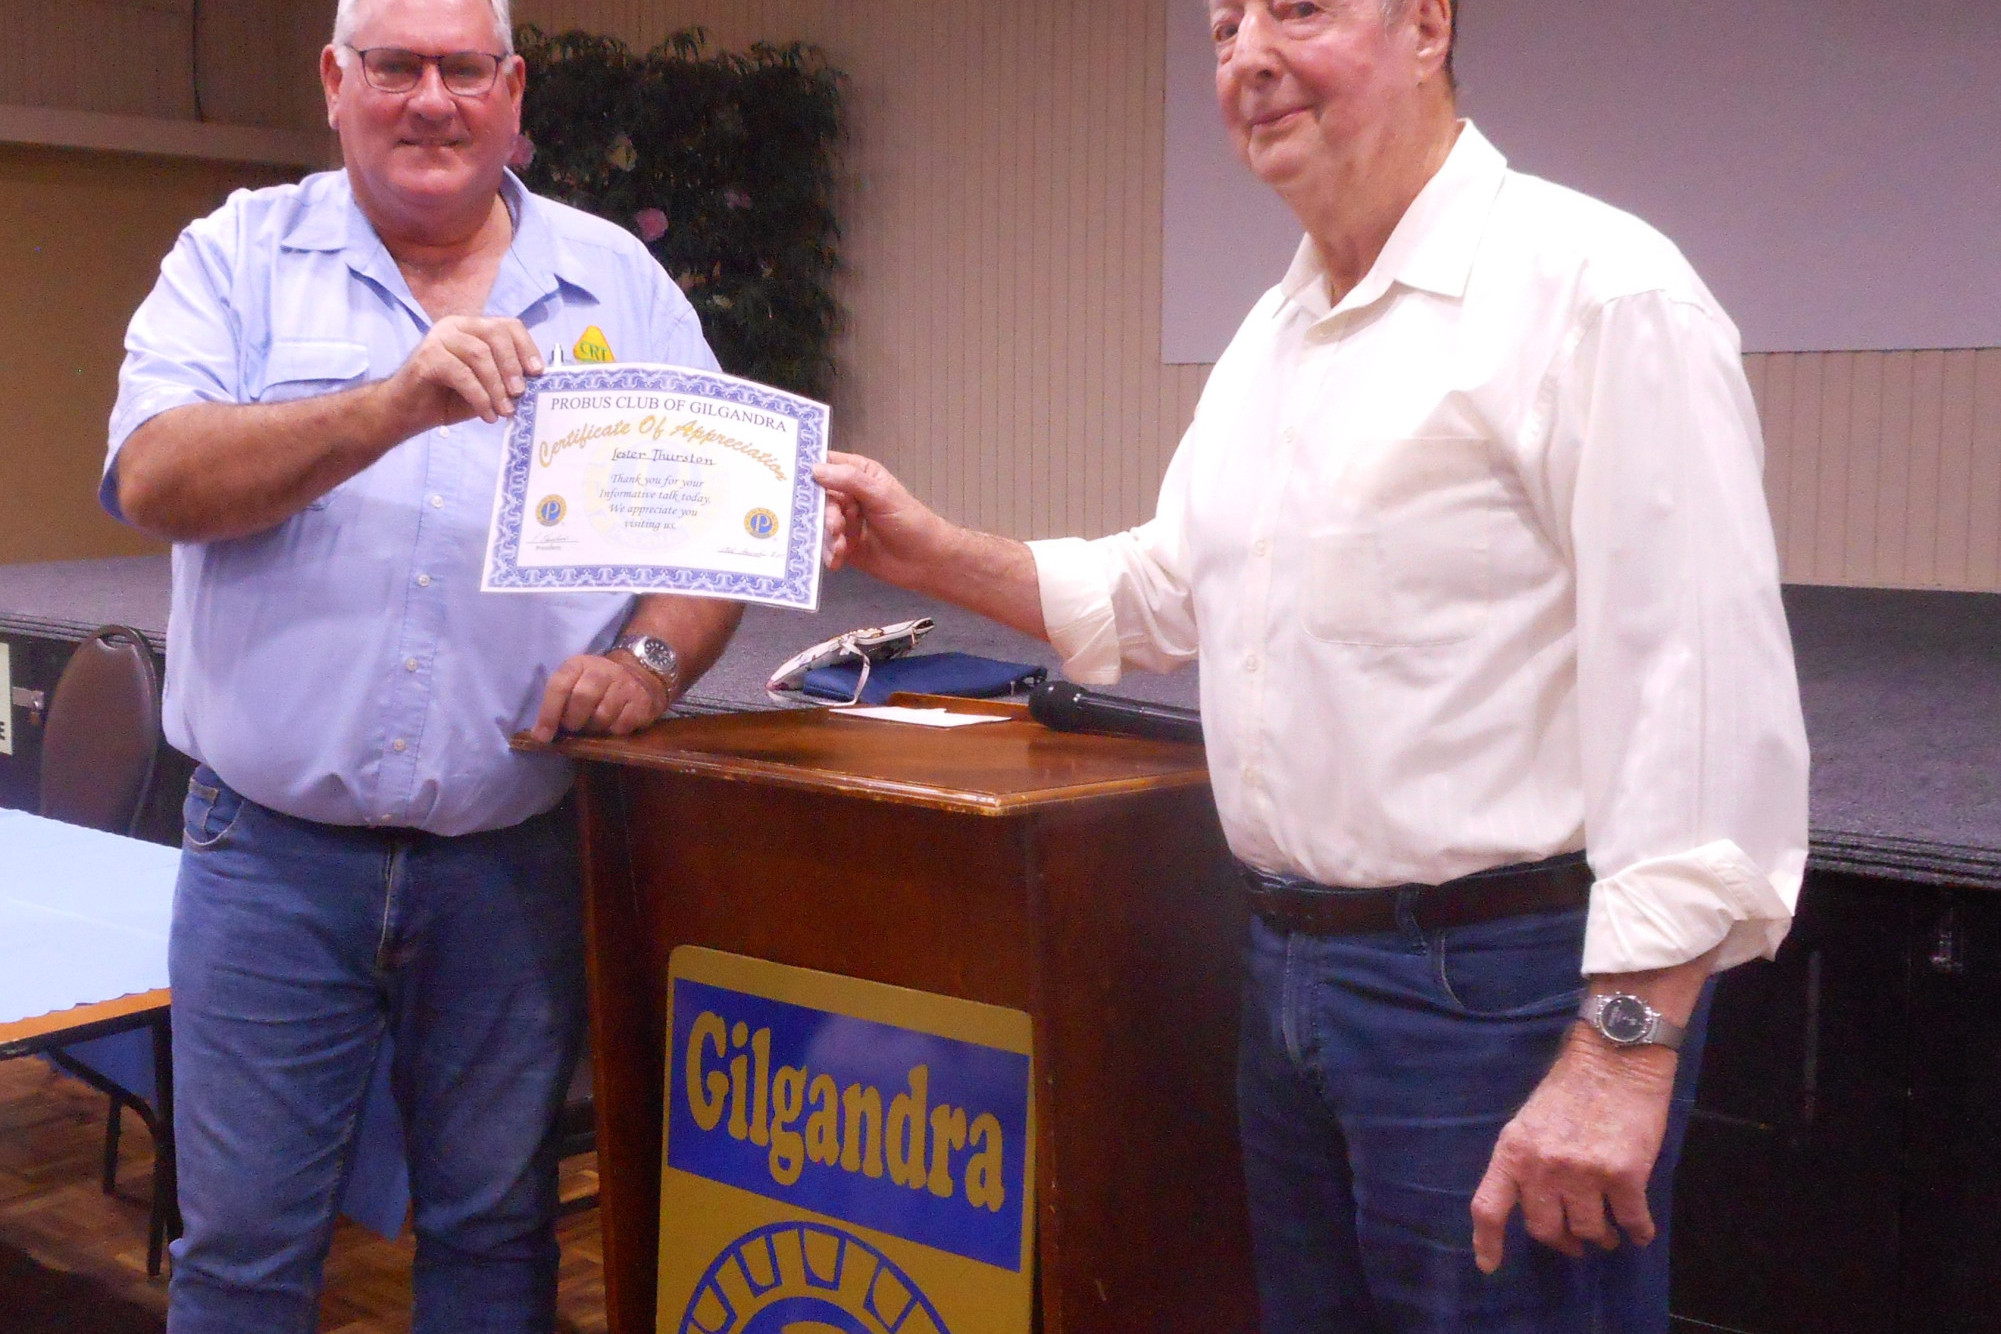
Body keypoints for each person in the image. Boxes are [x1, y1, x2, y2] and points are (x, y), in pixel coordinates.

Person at [814, 0, 1808, 1329]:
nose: (1246, 57)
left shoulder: (1597, 291)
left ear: (1426, 25)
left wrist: (1621, 1056)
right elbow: (1160, 593)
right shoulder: (1270, 339)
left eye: (1297, 8)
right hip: (1289, 977)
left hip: (1499, 995)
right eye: (1221, 26)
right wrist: (921, 548)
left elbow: (1699, 692)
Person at [102, 0, 739, 1327]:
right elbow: (156, 476)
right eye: (394, 66)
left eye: (462, 69)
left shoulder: (617, 281)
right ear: (337, 83)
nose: (429, 99)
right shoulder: (237, 257)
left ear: (513, 92)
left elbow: (724, 531)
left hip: (511, 859)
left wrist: (649, 658)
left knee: (496, 1235)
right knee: (242, 1251)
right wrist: (392, 404)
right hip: (268, 860)